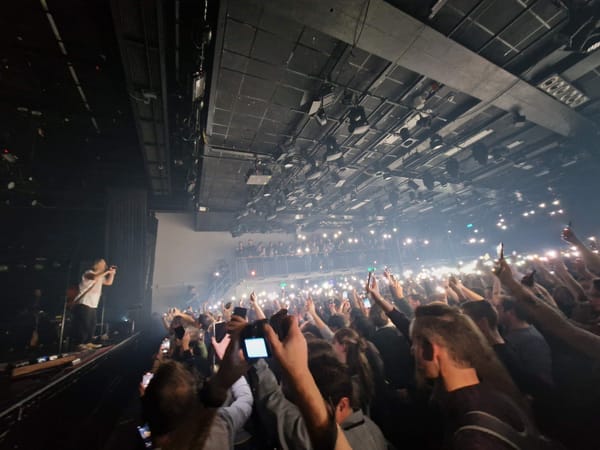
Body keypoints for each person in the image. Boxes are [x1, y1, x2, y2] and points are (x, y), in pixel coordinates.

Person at [411, 302, 544, 449]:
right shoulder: (499, 392)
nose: (412, 351)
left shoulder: (472, 437)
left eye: (415, 343)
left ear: (431, 348)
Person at [495, 295, 554, 386]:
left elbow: (542, 378)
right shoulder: (506, 329)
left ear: (511, 312)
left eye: (498, 308)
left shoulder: (532, 340)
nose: (494, 311)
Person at [71, 259, 116, 351]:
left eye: (105, 264)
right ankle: (80, 343)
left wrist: (112, 274)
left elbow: (108, 283)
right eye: (103, 264)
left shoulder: (101, 276)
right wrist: (107, 271)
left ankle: (88, 342)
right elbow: (95, 277)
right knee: (84, 324)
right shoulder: (88, 273)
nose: (105, 265)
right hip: (84, 303)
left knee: (92, 324)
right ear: (97, 265)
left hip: (93, 304)